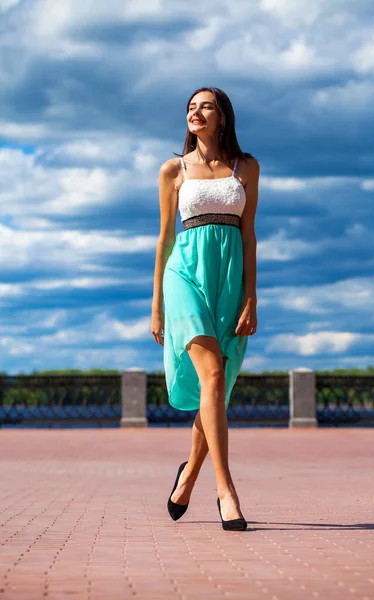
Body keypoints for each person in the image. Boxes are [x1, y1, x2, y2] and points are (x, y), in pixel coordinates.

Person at [151, 87, 259, 531]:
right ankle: (226, 491)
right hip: (184, 276)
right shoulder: (174, 169)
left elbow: (249, 237)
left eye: (206, 106)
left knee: (217, 389)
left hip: (229, 281)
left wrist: (251, 297)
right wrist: (156, 304)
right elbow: (165, 238)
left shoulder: (246, 168)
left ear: (223, 116)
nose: (196, 112)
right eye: (191, 107)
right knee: (211, 375)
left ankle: (188, 476)